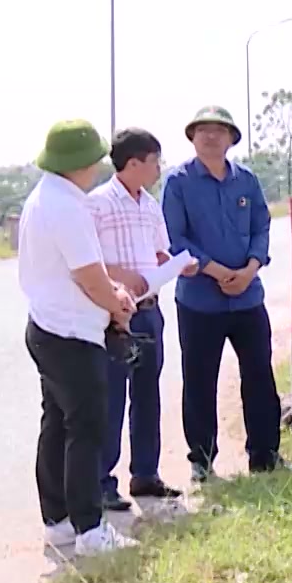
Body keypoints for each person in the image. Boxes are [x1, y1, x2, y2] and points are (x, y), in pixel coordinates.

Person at [18, 119, 139, 556]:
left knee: (57, 425)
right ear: (81, 163)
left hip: (47, 326)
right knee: (86, 429)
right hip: (71, 333)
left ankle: (59, 520)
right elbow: (89, 275)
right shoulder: (67, 206)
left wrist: (108, 294)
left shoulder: (44, 197)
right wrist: (119, 303)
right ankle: (90, 529)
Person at [160, 105, 284, 480]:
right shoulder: (178, 182)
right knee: (199, 379)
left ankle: (265, 456)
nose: (211, 136)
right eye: (202, 130)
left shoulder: (246, 180)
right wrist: (214, 270)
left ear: (232, 139)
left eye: (219, 130)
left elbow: (262, 225)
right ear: (192, 137)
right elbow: (173, 238)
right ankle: (201, 460)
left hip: (248, 297)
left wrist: (250, 268)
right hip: (199, 299)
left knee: (259, 375)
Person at [89, 127, 188, 510]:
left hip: (150, 311)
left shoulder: (150, 205)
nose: (158, 169)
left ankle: (145, 474)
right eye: (154, 161)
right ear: (134, 163)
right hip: (114, 317)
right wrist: (122, 279)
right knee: (111, 397)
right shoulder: (97, 204)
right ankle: (101, 481)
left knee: (147, 396)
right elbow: (88, 262)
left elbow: (160, 252)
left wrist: (177, 265)